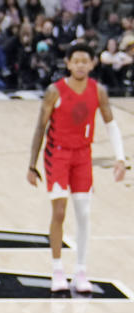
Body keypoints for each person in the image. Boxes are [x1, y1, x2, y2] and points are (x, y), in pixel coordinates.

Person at [27, 42, 125, 293]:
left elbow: (110, 124)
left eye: (85, 60)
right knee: (59, 212)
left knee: (84, 214)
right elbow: (40, 127)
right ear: (68, 64)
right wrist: (32, 164)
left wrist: (120, 158)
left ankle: (81, 271)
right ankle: (57, 269)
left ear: (92, 64)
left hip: (83, 156)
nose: (81, 64)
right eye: (76, 60)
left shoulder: (98, 91)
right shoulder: (54, 91)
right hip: (57, 155)